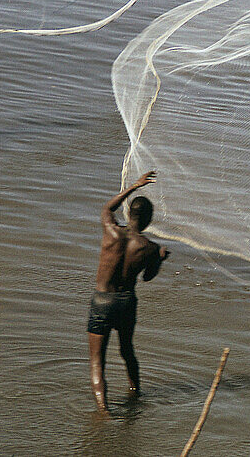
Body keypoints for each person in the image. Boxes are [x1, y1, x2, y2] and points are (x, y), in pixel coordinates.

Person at [88, 170, 169, 410]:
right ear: (148, 220)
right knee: (127, 352)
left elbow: (107, 208)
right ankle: (136, 395)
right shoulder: (150, 248)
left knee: (97, 362)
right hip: (126, 302)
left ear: (129, 213)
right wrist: (161, 260)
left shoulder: (110, 230)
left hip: (102, 301)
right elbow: (147, 278)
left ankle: (103, 410)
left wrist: (134, 186)